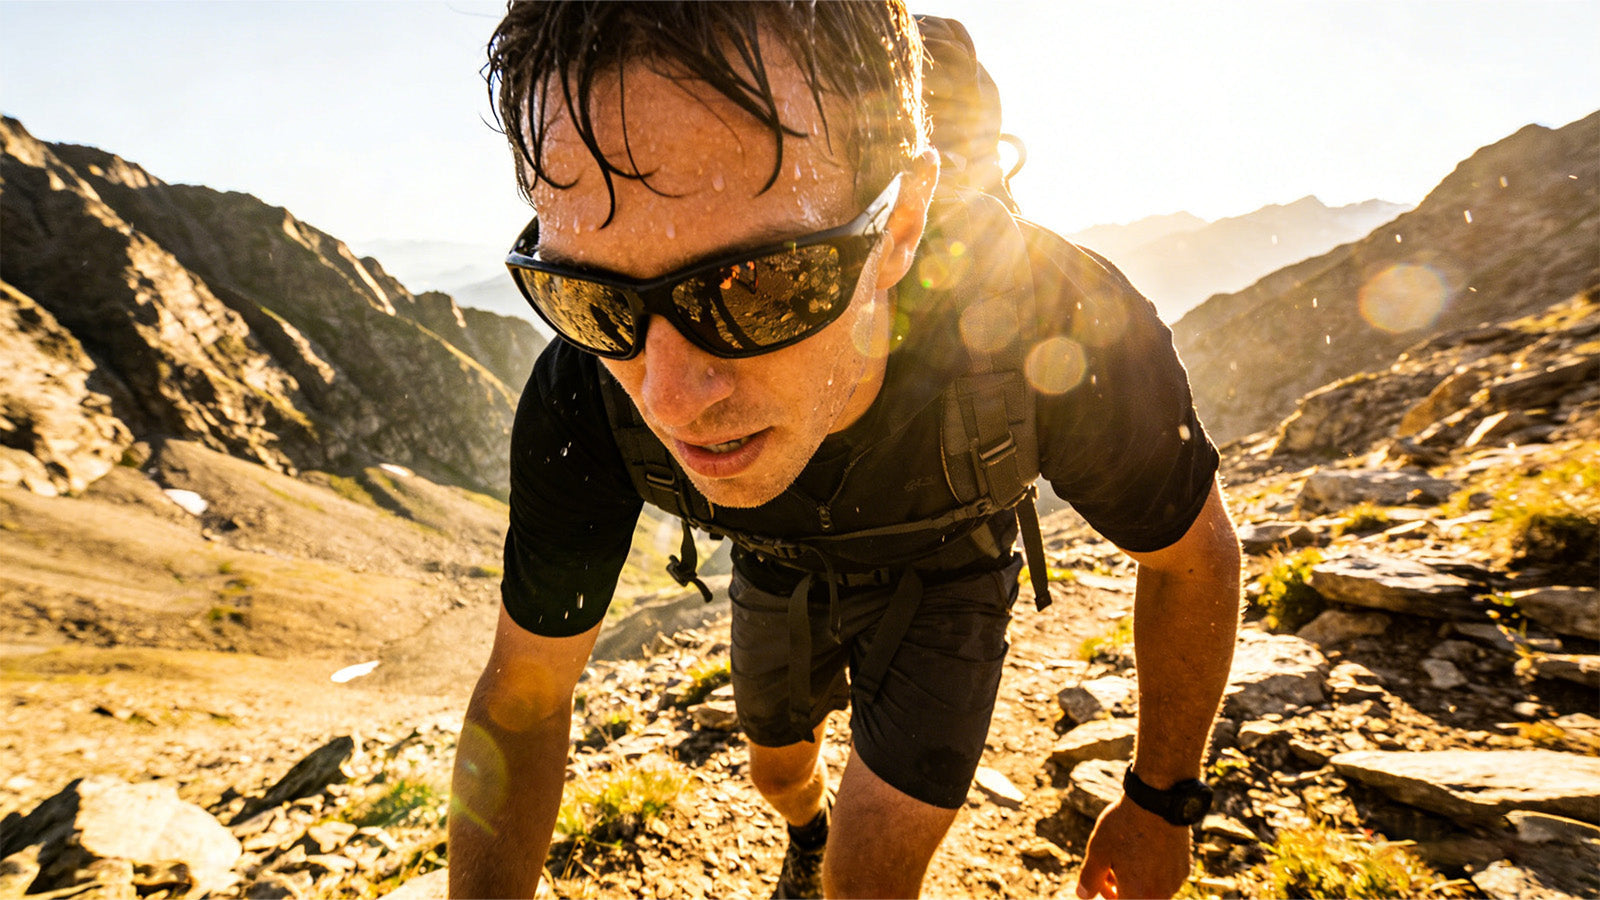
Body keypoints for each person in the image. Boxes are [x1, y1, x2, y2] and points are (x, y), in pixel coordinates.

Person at [449, 3, 1241, 898]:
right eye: (586, 295)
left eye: (760, 286)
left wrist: (1161, 802)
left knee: (867, 878)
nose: (670, 396)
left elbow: (1188, 559)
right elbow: (526, 695)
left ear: (901, 226)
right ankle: (804, 832)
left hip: (952, 571)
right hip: (778, 564)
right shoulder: (582, 390)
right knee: (779, 775)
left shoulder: (1051, 314)